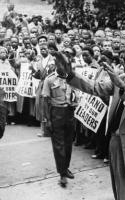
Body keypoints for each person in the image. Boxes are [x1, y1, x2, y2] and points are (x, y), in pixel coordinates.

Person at [52, 42, 125, 200]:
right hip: (116, 144)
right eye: (124, 60)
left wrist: (122, 86)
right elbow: (95, 88)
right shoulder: (123, 78)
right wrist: (69, 74)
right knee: (119, 194)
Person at [42, 57, 76, 187]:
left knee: (68, 144)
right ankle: (62, 174)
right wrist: (47, 120)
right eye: (61, 65)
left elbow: (75, 94)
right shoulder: (49, 79)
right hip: (56, 113)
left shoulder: (71, 78)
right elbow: (45, 101)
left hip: (69, 112)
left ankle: (65, 167)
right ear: (56, 64)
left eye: (66, 64)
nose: (64, 67)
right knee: (58, 146)